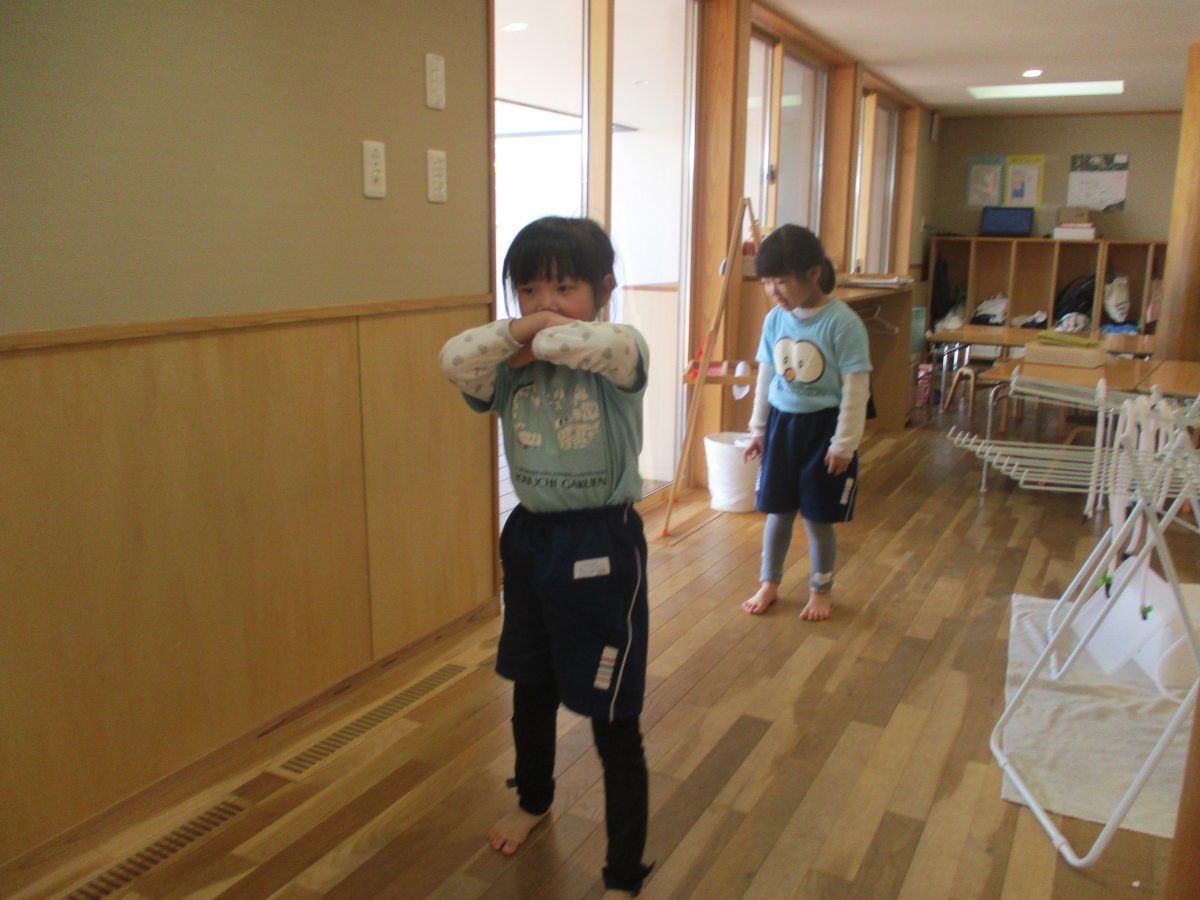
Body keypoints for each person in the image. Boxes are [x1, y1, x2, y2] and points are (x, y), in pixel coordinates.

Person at [438, 216, 653, 898]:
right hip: (532, 538)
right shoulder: (513, 370)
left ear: (604, 289)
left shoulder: (621, 351)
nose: (545, 303)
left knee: (612, 712)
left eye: (564, 287)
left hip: (601, 545)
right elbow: (453, 359)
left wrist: (533, 339)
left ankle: (623, 871)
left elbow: (594, 343)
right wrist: (519, 336)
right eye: (528, 290)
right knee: (530, 683)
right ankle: (533, 799)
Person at [740, 224, 872, 621]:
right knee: (777, 512)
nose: (773, 291)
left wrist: (843, 444)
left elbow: (856, 389)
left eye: (781, 281)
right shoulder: (774, 321)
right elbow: (766, 377)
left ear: (814, 274)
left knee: (817, 518)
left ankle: (821, 588)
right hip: (782, 427)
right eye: (767, 282)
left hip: (823, 430)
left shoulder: (843, 323)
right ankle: (769, 582)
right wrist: (758, 430)